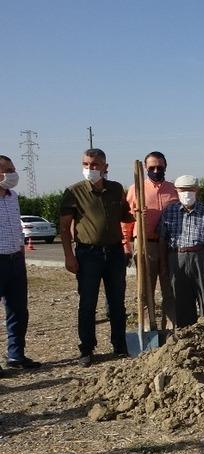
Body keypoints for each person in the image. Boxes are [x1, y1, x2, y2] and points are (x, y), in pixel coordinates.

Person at [60, 148, 134, 367]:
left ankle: (119, 344)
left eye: (94, 165)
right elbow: (64, 228)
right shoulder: (74, 192)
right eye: (86, 165)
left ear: (105, 167)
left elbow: (125, 214)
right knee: (88, 302)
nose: (90, 169)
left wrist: (137, 213)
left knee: (117, 302)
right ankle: (87, 348)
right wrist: (69, 256)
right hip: (88, 253)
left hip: (113, 253)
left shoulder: (116, 189)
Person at [121, 151, 179, 330]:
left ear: (165, 167)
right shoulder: (136, 189)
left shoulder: (173, 189)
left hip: (170, 246)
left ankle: (170, 329)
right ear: (145, 168)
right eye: (152, 167)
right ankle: (148, 328)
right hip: (146, 244)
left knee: (170, 290)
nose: (156, 170)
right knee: (145, 290)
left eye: (159, 167)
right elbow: (126, 218)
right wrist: (126, 244)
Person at [159, 175, 204, 327]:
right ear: (177, 191)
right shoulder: (169, 212)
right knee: (181, 299)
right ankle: (186, 335)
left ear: (197, 191)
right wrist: (164, 265)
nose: (186, 194)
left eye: (190, 190)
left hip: (203, 256)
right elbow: (162, 239)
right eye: (182, 190)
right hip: (177, 256)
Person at [0, 155, 40, 371]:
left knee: (18, 310)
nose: (12, 173)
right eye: (7, 169)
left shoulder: (12, 196)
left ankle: (16, 355)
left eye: (13, 168)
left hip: (16, 259)